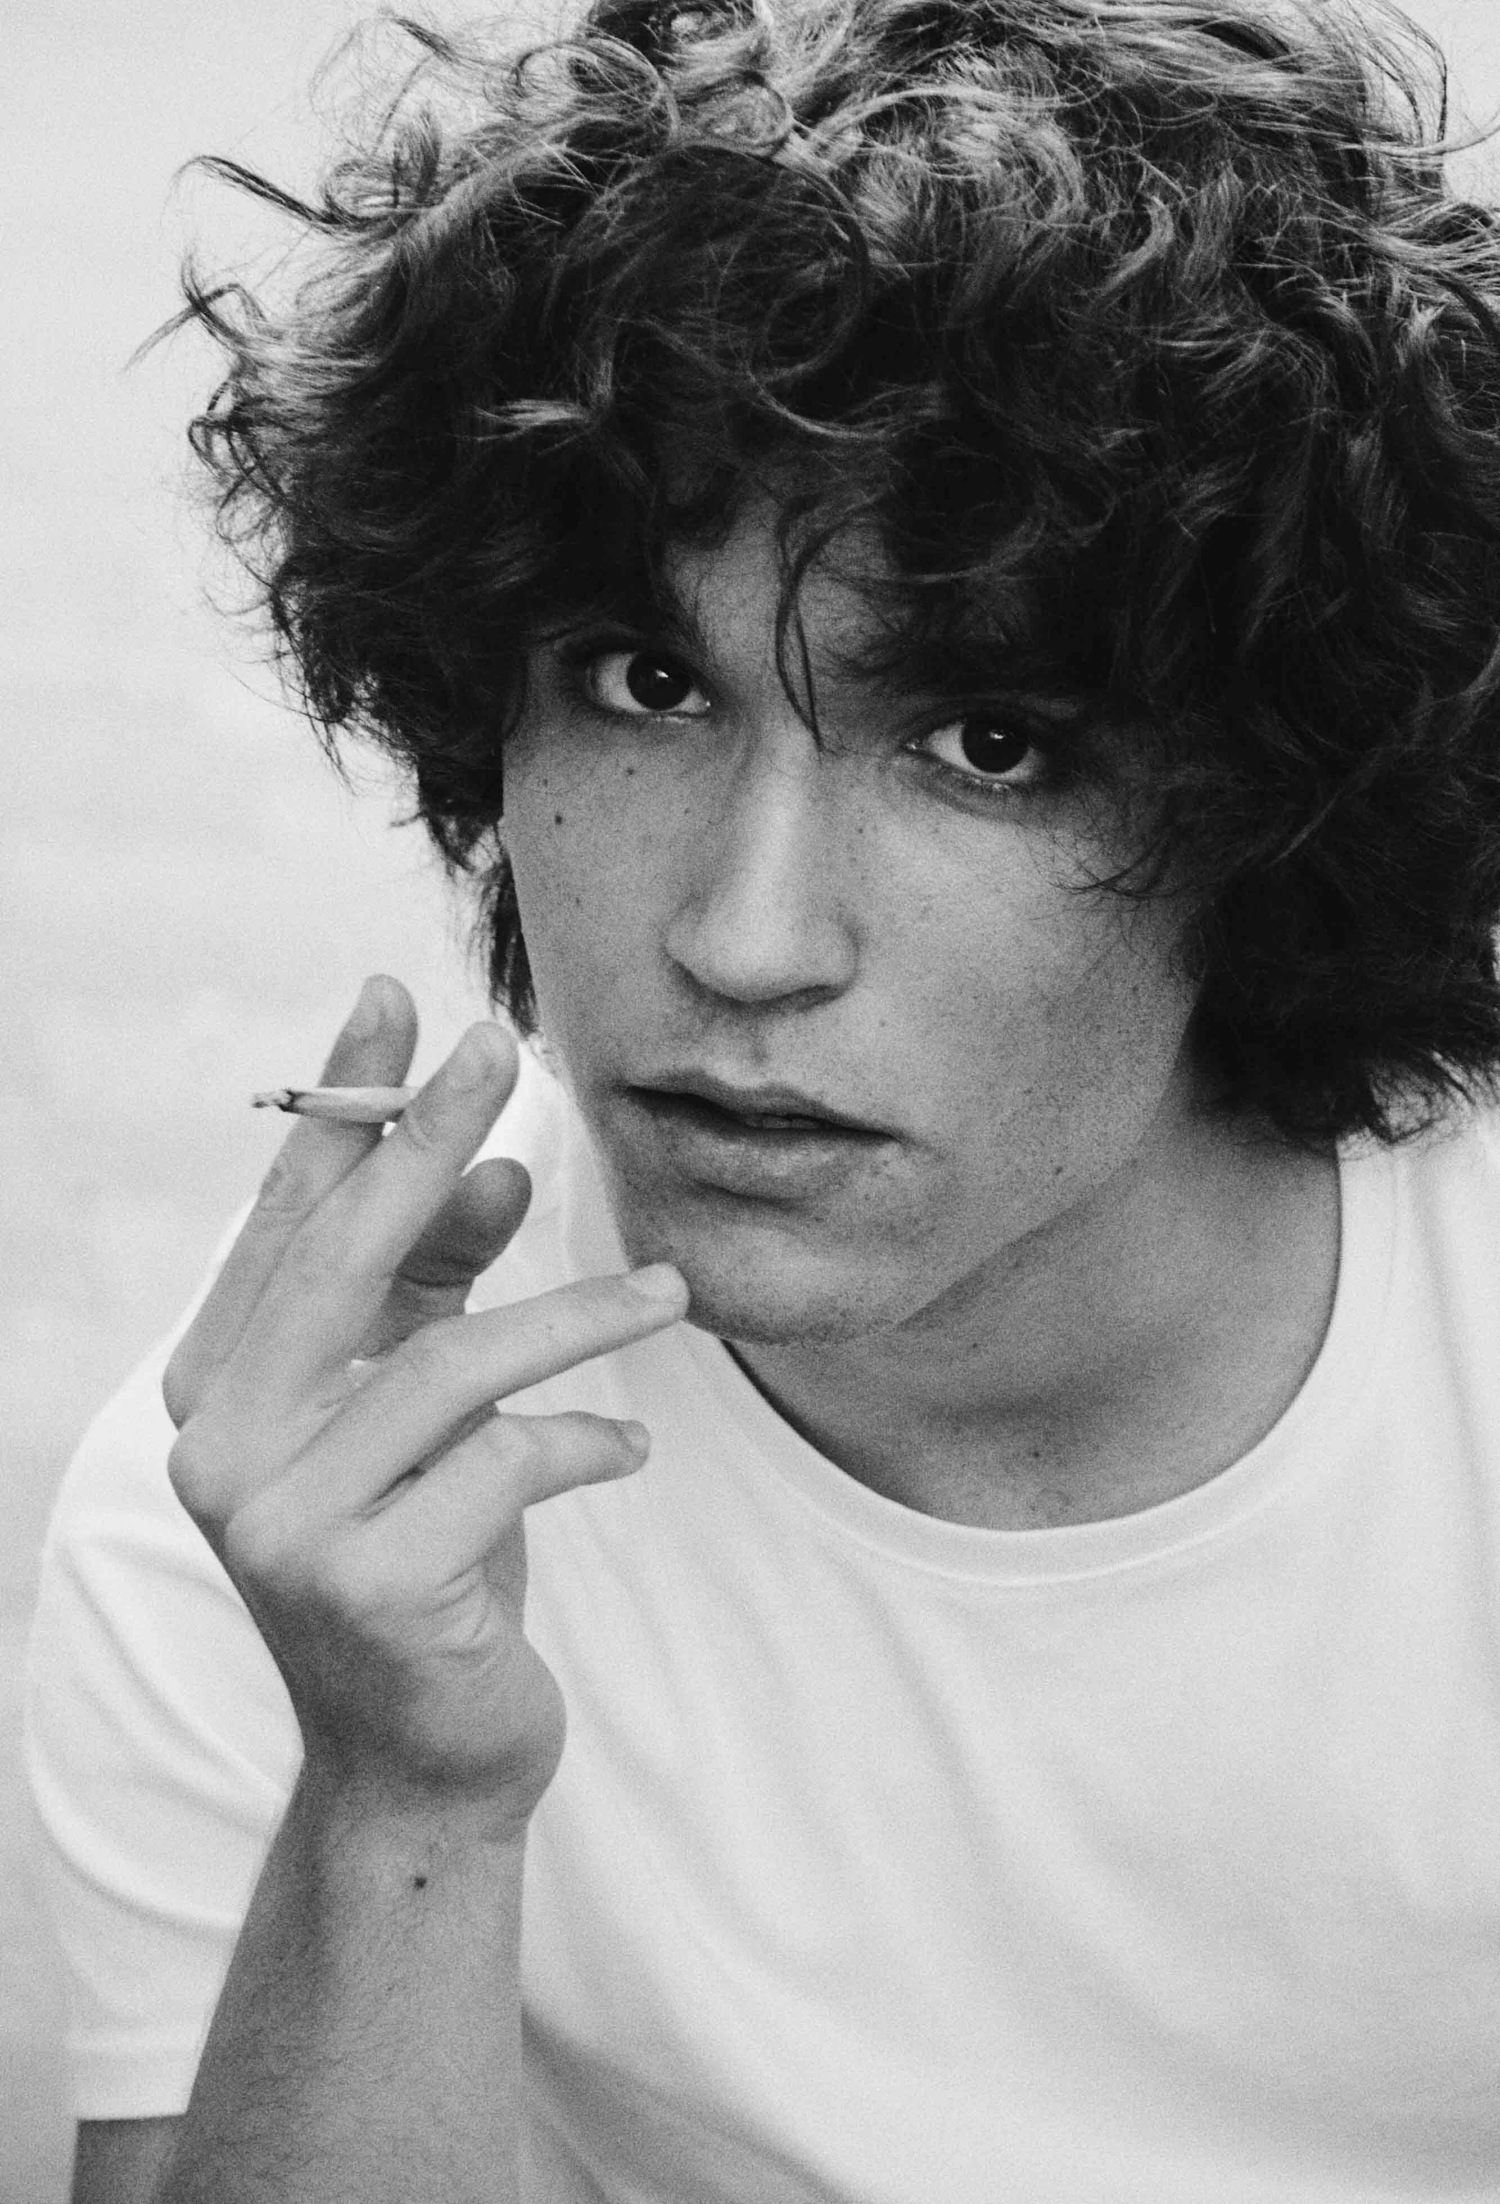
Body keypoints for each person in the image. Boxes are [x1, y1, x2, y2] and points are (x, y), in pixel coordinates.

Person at [24, 0, 1500, 2196]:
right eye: (646, 683)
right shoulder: (283, 1517)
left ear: (1281, 815)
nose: (743, 934)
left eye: (988, 741)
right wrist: (402, 1796)